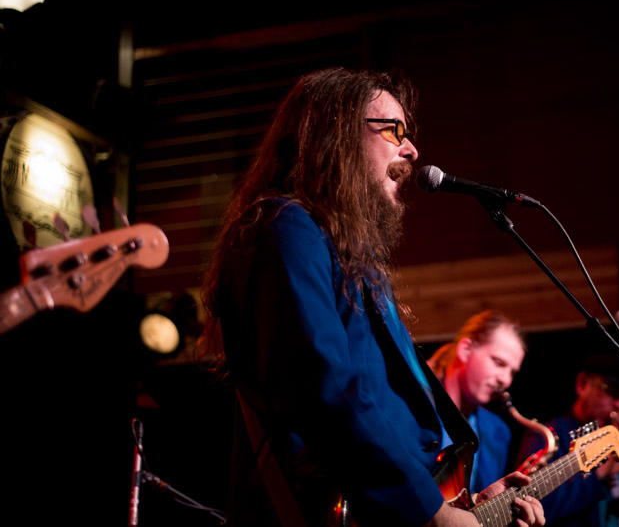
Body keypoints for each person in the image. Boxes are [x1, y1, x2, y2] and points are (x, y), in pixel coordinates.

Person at [201, 67, 544, 526]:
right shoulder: (283, 225)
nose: (412, 149)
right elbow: (324, 390)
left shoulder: (347, 252)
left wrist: (466, 506)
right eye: (394, 130)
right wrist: (431, 511)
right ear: (336, 134)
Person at [515, 353, 619, 527]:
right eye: (612, 390)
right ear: (582, 385)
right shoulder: (547, 437)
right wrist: (601, 469)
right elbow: (535, 508)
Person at [427, 310, 527, 493]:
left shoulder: (499, 431)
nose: (506, 380)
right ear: (465, 350)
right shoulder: (413, 405)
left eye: (512, 372)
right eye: (499, 362)